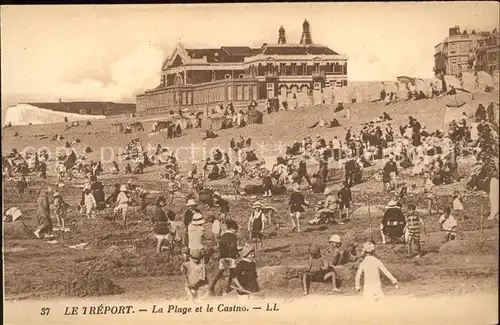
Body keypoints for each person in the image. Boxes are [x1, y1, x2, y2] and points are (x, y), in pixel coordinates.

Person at [210, 219, 239, 296]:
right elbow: (233, 247)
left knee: (221, 272)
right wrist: (237, 253)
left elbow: (220, 247)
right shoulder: (234, 236)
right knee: (232, 273)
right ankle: (228, 288)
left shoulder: (223, 236)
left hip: (223, 256)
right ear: (233, 229)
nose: (236, 231)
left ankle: (213, 285)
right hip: (231, 256)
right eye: (235, 230)